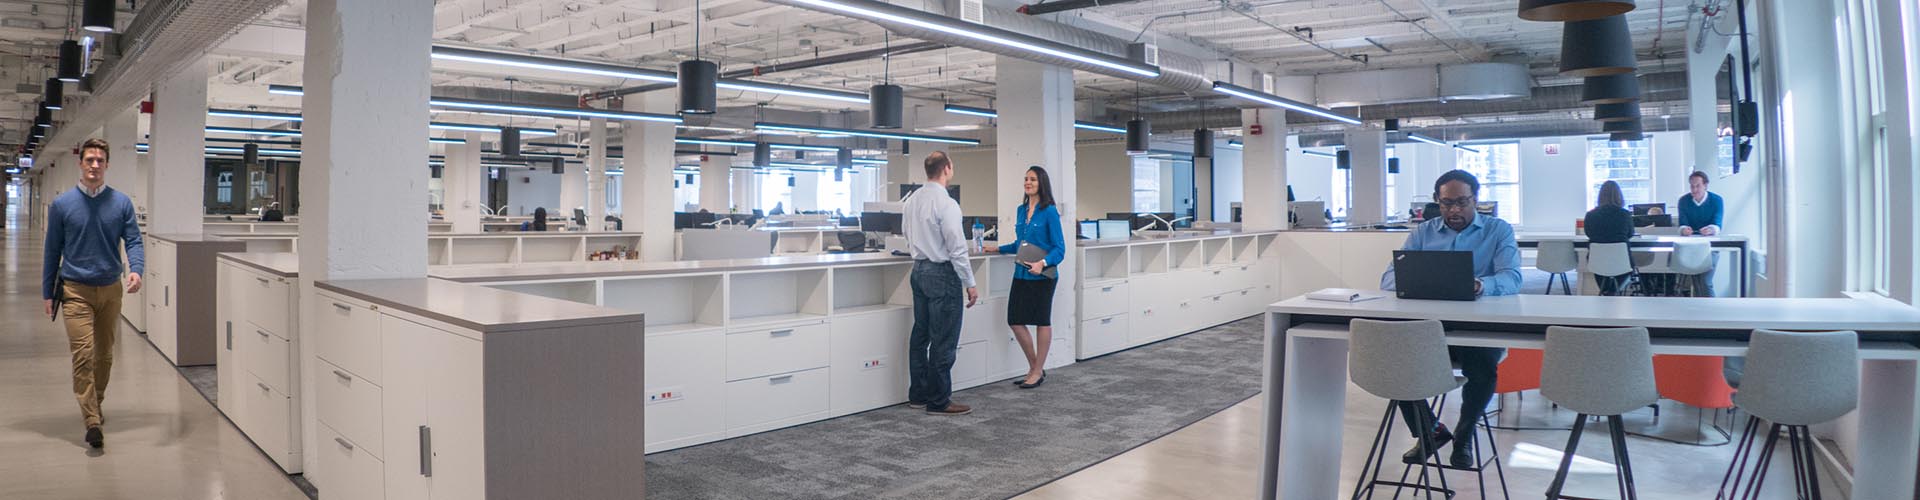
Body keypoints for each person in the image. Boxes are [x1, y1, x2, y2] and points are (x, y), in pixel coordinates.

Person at [1378, 169, 1519, 468]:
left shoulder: (1498, 230)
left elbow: (1512, 277)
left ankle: (1464, 436)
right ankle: (1431, 431)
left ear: (1475, 200)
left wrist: (1481, 285)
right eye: (1446, 203)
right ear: (1436, 202)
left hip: (1478, 327)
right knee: (1393, 360)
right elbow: (1389, 277)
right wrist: (1422, 281)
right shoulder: (1422, 232)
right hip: (1430, 329)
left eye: (1462, 202)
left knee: (1481, 366)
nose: (1454, 210)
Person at [42, 138, 144, 449]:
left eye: (100, 160)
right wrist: (48, 292)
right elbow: (52, 250)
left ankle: (95, 402)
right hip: (75, 290)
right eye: (89, 160)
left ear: (107, 165)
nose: (95, 165)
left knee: (104, 356)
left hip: (111, 289)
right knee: (83, 355)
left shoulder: (122, 203)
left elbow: (134, 241)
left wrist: (136, 269)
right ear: (81, 163)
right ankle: (91, 420)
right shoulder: (62, 205)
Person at [904, 151, 976, 416]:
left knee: (921, 335)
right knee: (944, 338)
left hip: (918, 270)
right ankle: (939, 400)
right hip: (942, 274)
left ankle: (918, 395)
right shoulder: (947, 204)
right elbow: (957, 248)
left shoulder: (911, 201)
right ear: (947, 168)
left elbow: (906, 235)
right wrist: (970, 282)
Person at [985, 166, 1065, 389]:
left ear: (1042, 184)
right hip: (1021, 273)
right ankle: (1035, 367)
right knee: (1015, 320)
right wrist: (998, 249)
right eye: (1026, 179)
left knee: (1041, 321)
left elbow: (1060, 248)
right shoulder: (1021, 210)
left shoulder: (1049, 211)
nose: (1028, 182)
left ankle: (1037, 370)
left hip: (1043, 276)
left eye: (1033, 179)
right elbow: (1020, 243)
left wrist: (1043, 263)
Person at [1676, 170, 1724, 295]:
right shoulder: (1683, 201)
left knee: (1705, 282)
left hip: (1710, 247)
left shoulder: (1717, 200)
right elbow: (1682, 223)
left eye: (1698, 186)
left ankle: (1711, 312)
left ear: (1705, 185)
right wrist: (1684, 230)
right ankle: (1701, 311)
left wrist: (1711, 229)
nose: (1694, 190)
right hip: (1690, 247)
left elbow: (1717, 223)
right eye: (1692, 186)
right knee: (1696, 282)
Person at [1584, 180, 1635, 295]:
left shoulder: (1590, 215)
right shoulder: (1625, 214)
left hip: (1597, 261)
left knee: (1603, 276)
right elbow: (1630, 233)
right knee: (1623, 272)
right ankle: (1613, 292)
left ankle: (1608, 292)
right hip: (1622, 261)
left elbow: (1589, 233)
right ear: (1619, 196)